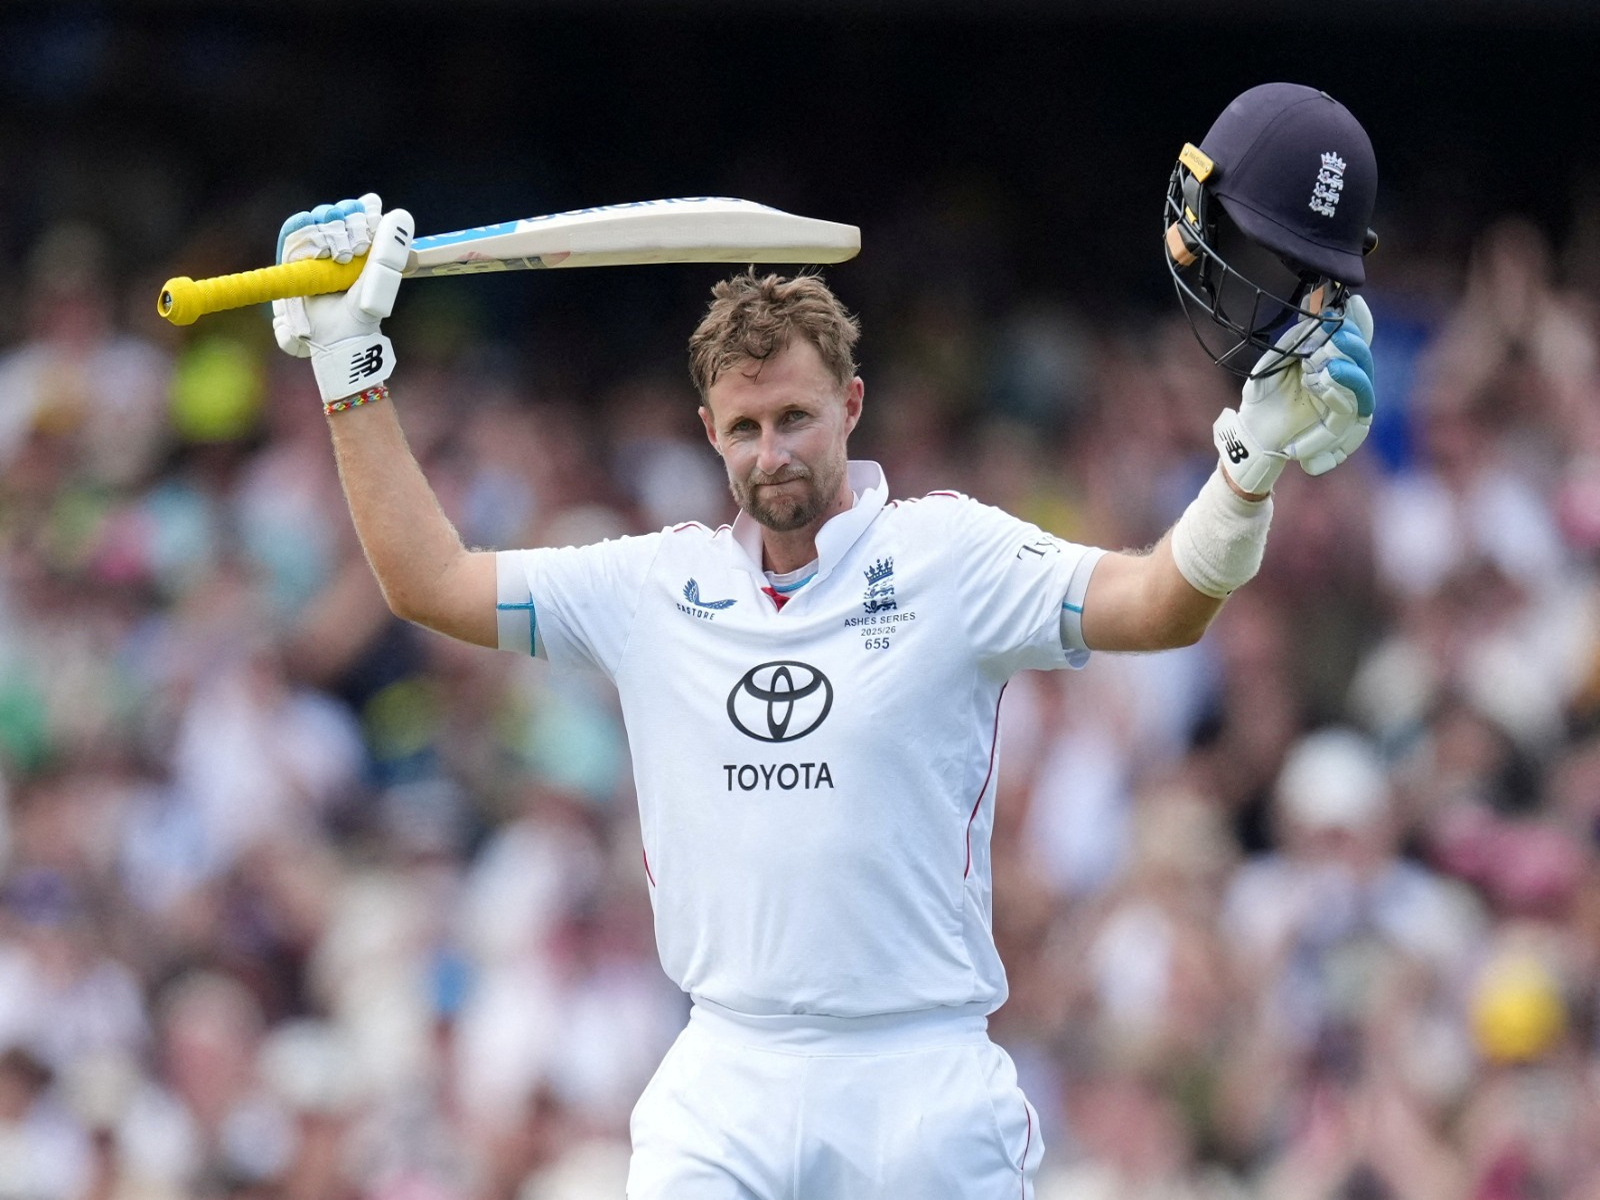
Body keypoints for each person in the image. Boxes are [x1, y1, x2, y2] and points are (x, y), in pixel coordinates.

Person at [268, 82, 1378, 1199]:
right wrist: (349, 366)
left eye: (796, 418)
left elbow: (1161, 605)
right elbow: (427, 581)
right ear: (708, 433)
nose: (773, 454)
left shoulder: (951, 555)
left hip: (921, 1078)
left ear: (850, 404)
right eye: (745, 429)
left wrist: (1248, 468)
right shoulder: (650, 586)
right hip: (725, 1072)